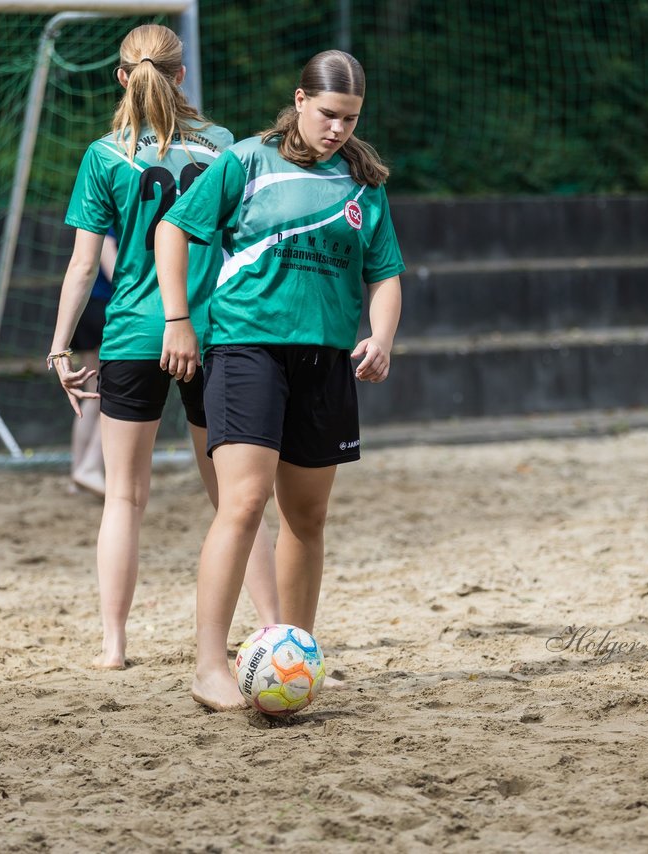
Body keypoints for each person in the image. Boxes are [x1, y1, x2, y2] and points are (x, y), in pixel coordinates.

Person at [155, 50, 404, 710]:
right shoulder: (246, 161)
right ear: (299, 100)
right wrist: (178, 318)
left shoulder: (362, 183)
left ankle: (297, 654)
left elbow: (384, 272)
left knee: (308, 516)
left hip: (324, 362)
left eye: (351, 119)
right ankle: (209, 664)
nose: (339, 129)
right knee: (243, 502)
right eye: (328, 115)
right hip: (246, 350)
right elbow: (172, 230)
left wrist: (381, 336)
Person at [48, 23, 280, 670]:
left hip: (130, 333)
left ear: (122, 76)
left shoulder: (105, 154)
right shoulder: (226, 149)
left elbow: (81, 266)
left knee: (124, 496)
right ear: (182, 76)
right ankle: (272, 631)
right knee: (235, 497)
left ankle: (114, 648)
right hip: (211, 332)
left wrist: (60, 348)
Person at [68, 229, 117, 497]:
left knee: (93, 393)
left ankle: (79, 474)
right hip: (105, 307)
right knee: (110, 393)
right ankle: (89, 467)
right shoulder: (117, 208)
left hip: (87, 305)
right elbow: (107, 256)